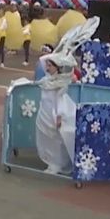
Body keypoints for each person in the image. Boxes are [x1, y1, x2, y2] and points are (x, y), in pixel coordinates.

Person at [35, 46, 78, 175]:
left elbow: (59, 99)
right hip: (44, 111)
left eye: (50, 65)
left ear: (57, 67)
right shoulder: (46, 80)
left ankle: (57, 164)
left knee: (55, 140)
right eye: (47, 65)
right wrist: (56, 53)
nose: (47, 68)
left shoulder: (60, 81)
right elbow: (42, 59)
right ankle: (51, 163)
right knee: (46, 139)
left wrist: (59, 116)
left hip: (53, 113)